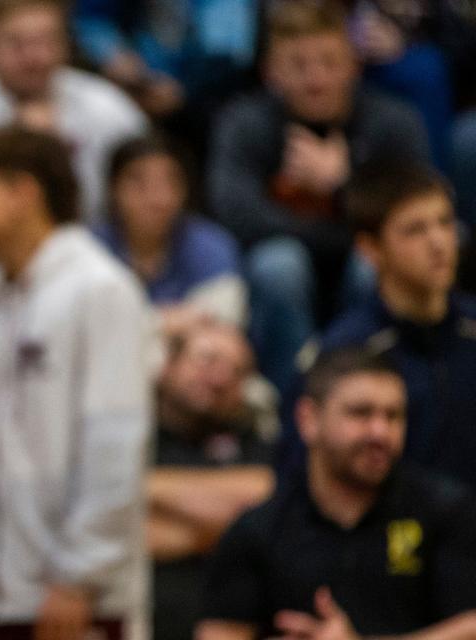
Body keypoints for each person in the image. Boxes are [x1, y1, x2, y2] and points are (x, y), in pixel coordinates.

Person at [0, 126, 150, 639]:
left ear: (23, 193)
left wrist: (79, 577)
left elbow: (116, 445)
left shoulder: (101, 288)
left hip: (75, 601)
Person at [207, 0, 430, 394]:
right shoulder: (244, 122)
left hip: (363, 269)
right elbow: (237, 216)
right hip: (282, 282)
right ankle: (293, 401)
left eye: (329, 63)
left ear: (354, 65)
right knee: (280, 264)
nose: (316, 79)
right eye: (298, 65)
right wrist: (345, 230)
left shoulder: (393, 122)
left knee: (372, 264)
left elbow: (415, 214)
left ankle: (376, 390)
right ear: (271, 71)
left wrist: (342, 185)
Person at [198, 348, 476, 639]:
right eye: (361, 413)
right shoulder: (258, 532)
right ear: (309, 420)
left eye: (393, 416)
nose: (380, 432)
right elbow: (219, 632)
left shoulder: (446, 510)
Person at [296, 161, 476, 491]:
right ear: (370, 249)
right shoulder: (345, 351)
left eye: (445, 223)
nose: (438, 242)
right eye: (415, 230)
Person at [0, 0, 149, 223]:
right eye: (16, 44)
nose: (34, 58)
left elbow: (147, 185)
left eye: (47, 41)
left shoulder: (106, 104)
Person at [147, 324, 274, 640]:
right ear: (168, 365)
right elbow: (119, 532)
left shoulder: (255, 442)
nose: (220, 378)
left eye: (236, 370)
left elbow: (265, 499)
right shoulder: (137, 440)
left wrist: (137, 488)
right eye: (207, 360)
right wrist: (225, 526)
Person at [94, 134, 247, 336]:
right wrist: (167, 321)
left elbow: (222, 322)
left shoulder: (211, 245)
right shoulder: (89, 247)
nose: (157, 198)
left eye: (169, 183)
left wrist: (135, 325)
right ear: (113, 189)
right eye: (139, 184)